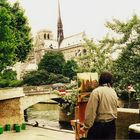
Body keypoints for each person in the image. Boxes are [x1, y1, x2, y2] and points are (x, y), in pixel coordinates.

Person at [80, 71, 118, 140]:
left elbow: (91, 112)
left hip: (99, 127)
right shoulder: (113, 91)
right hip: (111, 126)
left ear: (100, 80)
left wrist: (85, 127)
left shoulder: (96, 92)